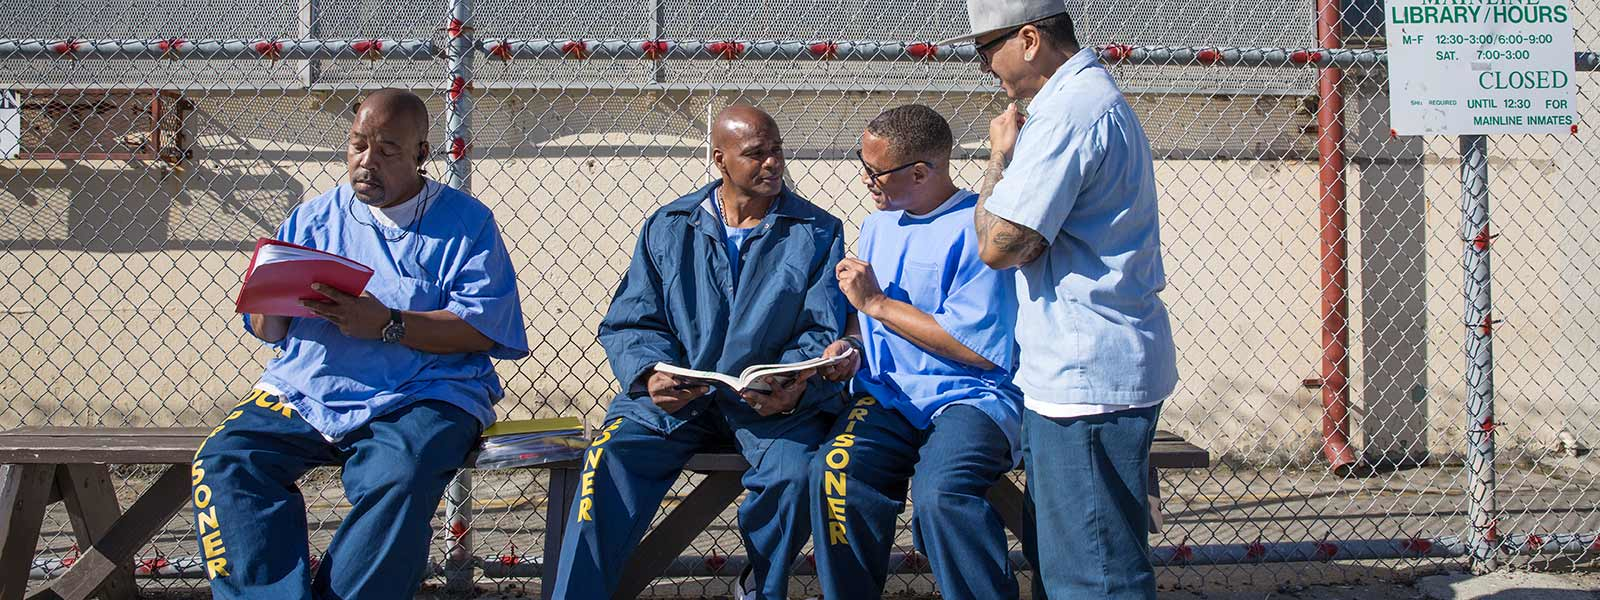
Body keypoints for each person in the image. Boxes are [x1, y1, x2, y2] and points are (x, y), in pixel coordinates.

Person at [192, 89, 529, 599]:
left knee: (402, 474)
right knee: (227, 458)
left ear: (421, 153)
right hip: (309, 388)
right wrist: (267, 301)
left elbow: (483, 328)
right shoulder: (313, 219)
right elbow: (269, 333)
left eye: (388, 150)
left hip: (425, 392)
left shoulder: (465, 222)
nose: (367, 162)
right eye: (357, 146)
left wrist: (388, 323)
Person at [551, 105, 848, 600]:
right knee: (608, 460)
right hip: (676, 401)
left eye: (776, 150)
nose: (772, 163)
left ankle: (759, 587)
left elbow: (821, 327)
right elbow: (631, 319)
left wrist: (792, 384)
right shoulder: (670, 225)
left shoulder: (816, 230)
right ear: (719, 160)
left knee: (795, 476)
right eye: (755, 154)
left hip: (769, 406)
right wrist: (649, 375)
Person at [942, 1, 1180, 598]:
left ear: (1028, 39)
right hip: (1081, 369)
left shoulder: (1069, 113)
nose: (983, 66)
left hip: (1086, 379)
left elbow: (1000, 244)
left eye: (984, 48)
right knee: (1068, 558)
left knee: (1094, 572)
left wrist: (999, 157)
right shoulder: (1083, 102)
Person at [809, 104, 1022, 600]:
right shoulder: (879, 224)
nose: (865, 180)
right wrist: (853, 345)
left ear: (922, 172)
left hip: (971, 398)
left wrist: (878, 305)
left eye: (873, 170)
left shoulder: (981, 230)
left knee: (942, 494)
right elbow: (873, 323)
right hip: (889, 396)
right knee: (835, 472)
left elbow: (979, 352)